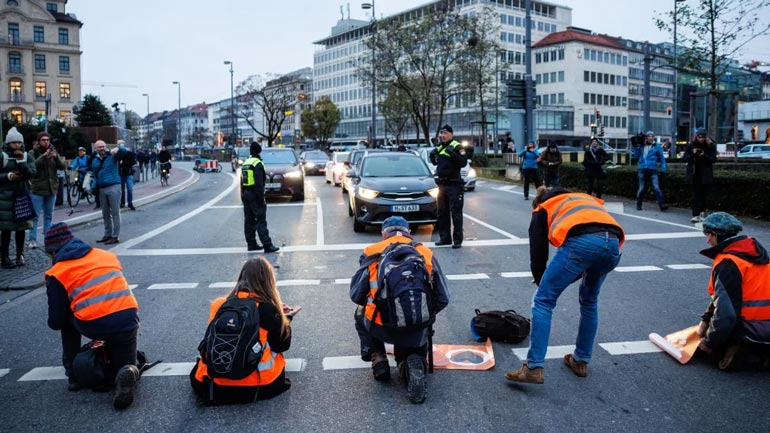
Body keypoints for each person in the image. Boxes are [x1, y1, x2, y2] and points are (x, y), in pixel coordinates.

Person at [505, 186, 623, 384]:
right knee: (589, 301)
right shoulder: (583, 199)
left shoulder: (543, 208)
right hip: (612, 242)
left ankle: (533, 367)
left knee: (543, 301)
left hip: (583, 243)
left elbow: (538, 253)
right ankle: (581, 360)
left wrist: (541, 280)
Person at [350, 216, 450, 403]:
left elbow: (356, 295)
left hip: (381, 325)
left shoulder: (371, 252)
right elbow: (443, 297)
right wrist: (426, 315)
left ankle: (378, 357)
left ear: (383, 233)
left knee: (359, 312)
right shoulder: (425, 253)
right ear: (408, 232)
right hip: (416, 324)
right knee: (417, 332)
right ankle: (413, 361)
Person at [43, 222, 141, 409]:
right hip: (128, 319)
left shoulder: (57, 272)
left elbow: (56, 321)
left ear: (54, 252)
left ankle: (73, 376)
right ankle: (127, 369)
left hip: (95, 323)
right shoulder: (106, 255)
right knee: (125, 364)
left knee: (67, 320)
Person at [191, 256, 298, 404]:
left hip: (213, 386)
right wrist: (285, 320)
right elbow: (281, 345)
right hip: (258, 386)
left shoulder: (219, 304)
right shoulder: (267, 309)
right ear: (268, 281)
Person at [697, 212, 770, 370]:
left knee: (717, 334)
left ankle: (741, 348)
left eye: (707, 235)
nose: (707, 240)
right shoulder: (757, 254)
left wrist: (709, 342)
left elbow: (726, 313)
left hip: (749, 328)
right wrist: (705, 318)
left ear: (715, 234)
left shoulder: (729, 264)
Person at [0, 127, 36, 267]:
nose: (17, 145)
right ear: (8, 143)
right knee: (6, 229)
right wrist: (9, 176)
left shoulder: (27, 156)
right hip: (5, 198)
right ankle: (5, 257)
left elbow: (32, 174)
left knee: (21, 228)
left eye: (19, 142)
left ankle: (20, 255)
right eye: (14, 142)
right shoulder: (2, 157)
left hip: (22, 197)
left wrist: (22, 162)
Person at [430, 124, 468, 248]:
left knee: (456, 213)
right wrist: (432, 156)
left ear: (451, 134)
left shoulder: (457, 146)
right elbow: (437, 163)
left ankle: (457, 240)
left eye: (445, 133)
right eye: (442, 133)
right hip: (442, 185)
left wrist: (453, 153)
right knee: (442, 212)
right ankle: (445, 238)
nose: (443, 135)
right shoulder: (441, 147)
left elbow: (463, 162)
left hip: (454, 184)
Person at [241, 142, 279, 253]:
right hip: (255, 194)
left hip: (246, 193)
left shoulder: (246, 162)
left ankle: (251, 244)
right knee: (261, 219)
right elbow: (259, 183)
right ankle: (267, 245)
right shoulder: (258, 163)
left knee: (248, 220)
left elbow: (243, 180)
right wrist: (261, 197)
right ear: (259, 151)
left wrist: (243, 194)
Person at [29, 131, 65, 249]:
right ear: (39, 141)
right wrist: (43, 156)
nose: (46, 142)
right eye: (43, 140)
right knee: (35, 215)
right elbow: (32, 166)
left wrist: (56, 157)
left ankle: (47, 238)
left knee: (49, 215)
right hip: (38, 189)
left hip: (51, 188)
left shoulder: (53, 152)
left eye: (48, 140)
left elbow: (63, 166)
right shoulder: (32, 152)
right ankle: (32, 239)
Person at [92, 140, 127, 244]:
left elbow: (124, 152)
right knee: (105, 213)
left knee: (115, 212)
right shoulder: (95, 161)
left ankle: (115, 236)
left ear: (106, 146)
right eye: (99, 147)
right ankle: (107, 234)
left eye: (103, 146)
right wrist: (93, 187)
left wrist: (118, 148)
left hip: (113, 186)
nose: (101, 148)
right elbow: (95, 176)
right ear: (95, 149)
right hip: (102, 189)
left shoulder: (112, 155)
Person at [681, 129, 717, 223]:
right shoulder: (691, 145)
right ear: (696, 137)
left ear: (706, 137)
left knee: (704, 195)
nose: (701, 139)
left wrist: (703, 155)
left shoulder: (710, 146)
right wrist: (693, 154)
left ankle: (702, 212)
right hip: (694, 173)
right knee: (695, 195)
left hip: (705, 174)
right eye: (699, 137)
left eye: (703, 137)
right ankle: (695, 214)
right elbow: (684, 158)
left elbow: (713, 159)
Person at [632, 131, 668, 211]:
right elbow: (637, 155)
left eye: (652, 136)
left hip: (652, 169)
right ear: (646, 137)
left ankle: (662, 205)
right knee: (641, 188)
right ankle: (639, 204)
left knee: (656, 188)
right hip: (642, 169)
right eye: (649, 136)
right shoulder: (642, 145)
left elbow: (662, 158)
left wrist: (663, 168)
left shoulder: (657, 147)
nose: (651, 138)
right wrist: (635, 146)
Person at [118, 142, 136, 211]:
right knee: (122, 190)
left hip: (128, 173)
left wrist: (124, 163)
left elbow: (133, 162)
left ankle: (129, 202)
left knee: (129, 189)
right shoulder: (118, 155)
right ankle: (123, 203)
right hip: (122, 174)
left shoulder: (129, 154)